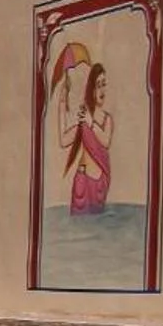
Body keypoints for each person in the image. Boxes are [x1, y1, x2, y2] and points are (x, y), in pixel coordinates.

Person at [57, 58, 113, 214]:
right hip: (82, 183)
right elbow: (63, 140)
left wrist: (91, 122)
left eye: (104, 84)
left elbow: (106, 141)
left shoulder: (107, 119)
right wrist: (62, 104)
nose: (102, 90)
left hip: (99, 186)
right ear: (91, 89)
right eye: (98, 85)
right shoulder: (84, 117)